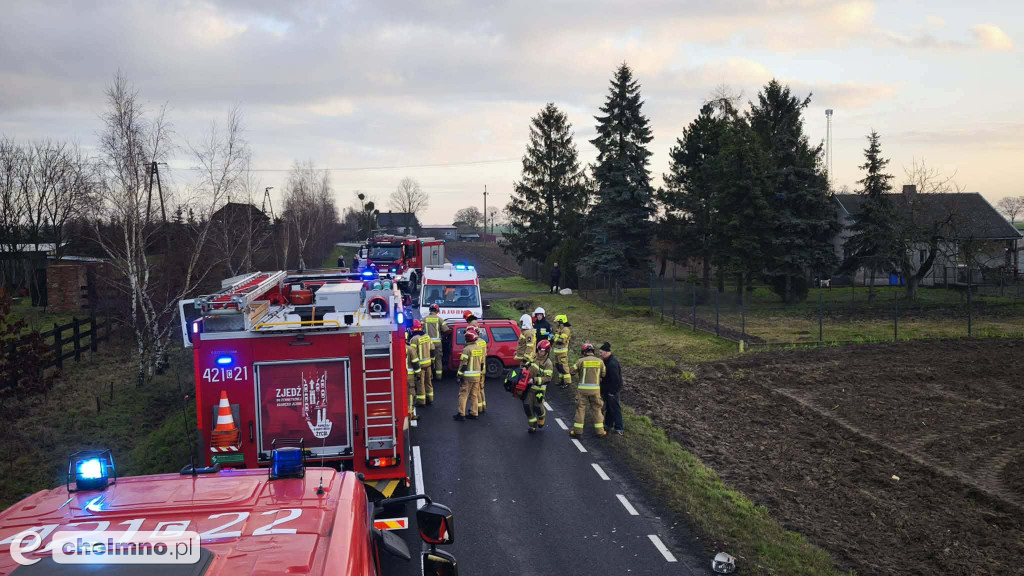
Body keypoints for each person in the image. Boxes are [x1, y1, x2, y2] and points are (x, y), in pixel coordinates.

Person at [570, 343, 606, 438]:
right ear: (593, 351)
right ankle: (600, 432)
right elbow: (603, 374)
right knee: (597, 410)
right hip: (595, 391)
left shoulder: (580, 361)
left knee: (580, 409)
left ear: (583, 352)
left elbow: (571, 371)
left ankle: (577, 432)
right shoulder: (600, 362)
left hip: (583, 391)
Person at [454, 327, 484, 421]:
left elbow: (463, 364)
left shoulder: (466, 349)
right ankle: (474, 413)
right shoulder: (479, 348)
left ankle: (461, 414)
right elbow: (482, 363)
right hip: (477, 376)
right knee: (474, 395)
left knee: (463, 395)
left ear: (467, 339)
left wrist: (459, 375)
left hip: (467, 377)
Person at [524, 339, 554, 432]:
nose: (540, 352)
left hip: (539, 390)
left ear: (547, 351)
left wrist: (535, 380)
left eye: (542, 350)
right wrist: (525, 367)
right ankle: (532, 426)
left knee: (537, 407)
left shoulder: (548, 364)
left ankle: (542, 416)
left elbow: (548, 379)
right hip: (529, 388)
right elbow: (528, 363)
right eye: (539, 349)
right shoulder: (534, 356)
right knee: (527, 406)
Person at [599, 342, 623, 435]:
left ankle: (619, 428)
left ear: (606, 352)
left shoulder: (612, 363)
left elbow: (616, 380)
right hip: (608, 389)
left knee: (615, 408)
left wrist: (612, 392)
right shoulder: (607, 360)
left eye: (601, 352)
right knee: (609, 408)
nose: (600, 354)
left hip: (612, 390)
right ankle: (608, 425)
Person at [423, 303, 451, 380]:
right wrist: (443, 335)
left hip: (427, 343)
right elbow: (447, 330)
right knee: (438, 359)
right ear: (437, 310)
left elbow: (421, 330)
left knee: (428, 360)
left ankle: (430, 376)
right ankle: (438, 376)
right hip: (437, 343)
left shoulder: (424, 319)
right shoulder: (439, 319)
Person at [412, 320, 435, 406]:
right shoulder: (427, 336)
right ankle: (430, 398)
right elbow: (432, 349)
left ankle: (421, 401)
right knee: (428, 382)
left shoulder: (414, 339)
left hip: (420, 366)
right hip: (428, 364)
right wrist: (433, 361)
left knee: (420, 383)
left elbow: (413, 353)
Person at [552, 314, 572, 389]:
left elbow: (562, 341)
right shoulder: (560, 329)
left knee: (564, 367)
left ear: (561, 322)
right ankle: (562, 381)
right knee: (558, 367)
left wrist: (555, 338)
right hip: (557, 352)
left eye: (557, 322)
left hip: (562, 353)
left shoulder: (566, 330)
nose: (556, 323)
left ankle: (567, 382)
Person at [405, 331, 420, 421]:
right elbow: (415, 363)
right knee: (411, 394)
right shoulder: (410, 349)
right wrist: (418, 375)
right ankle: (410, 414)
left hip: (397, 378)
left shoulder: (393, 348)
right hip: (409, 376)